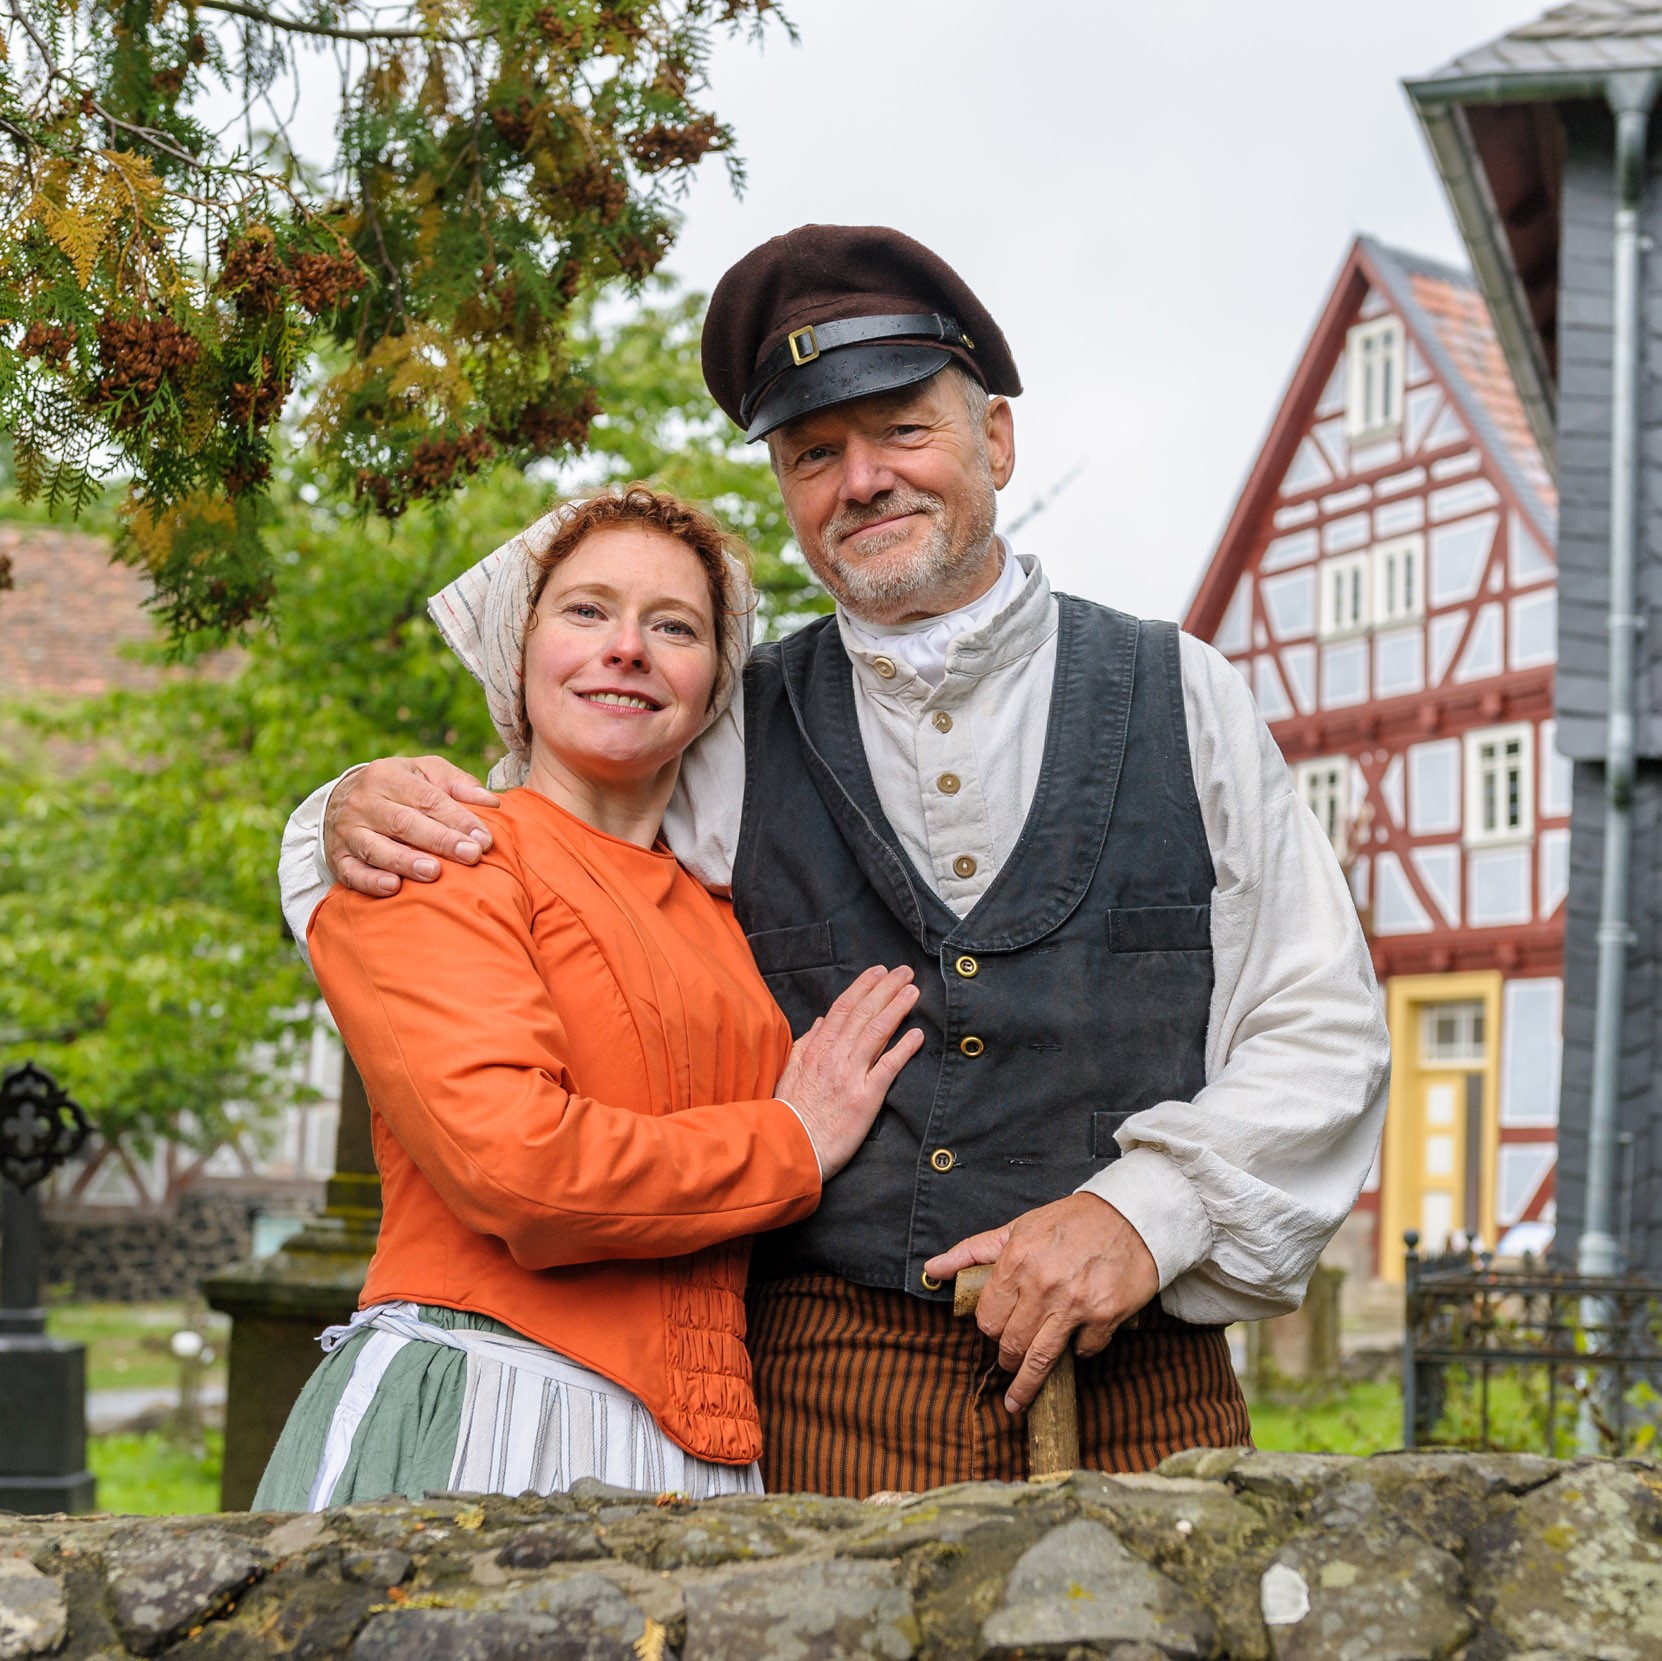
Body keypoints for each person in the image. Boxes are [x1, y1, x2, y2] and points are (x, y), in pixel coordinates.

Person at [280, 225, 1391, 1496]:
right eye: (816, 453)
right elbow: (545, 830)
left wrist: (1147, 1211)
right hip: (823, 1391)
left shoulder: (1185, 691)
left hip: (1145, 1376)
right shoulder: (730, 713)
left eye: (904, 431)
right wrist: (338, 810)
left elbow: (1320, 1022)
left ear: (998, 440)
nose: (862, 479)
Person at [256, 486, 922, 1509]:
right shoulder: (440, 849)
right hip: (485, 1405)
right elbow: (516, 1165)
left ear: (711, 687)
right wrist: (790, 1140)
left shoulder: (729, 911)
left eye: (675, 626)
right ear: (514, 654)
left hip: (703, 1453)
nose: (628, 648)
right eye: (586, 610)